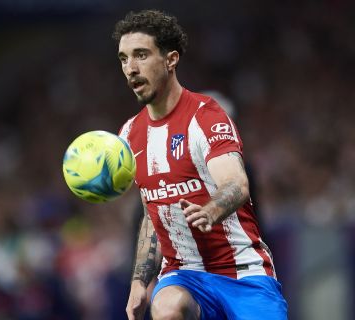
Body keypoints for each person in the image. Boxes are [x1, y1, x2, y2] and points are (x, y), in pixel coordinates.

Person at [113, 10, 288, 320]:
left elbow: (237, 184)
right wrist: (139, 282)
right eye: (124, 58)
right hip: (184, 274)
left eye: (141, 55)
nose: (131, 68)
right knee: (166, 307)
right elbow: (152, 214)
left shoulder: (206, 116)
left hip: (243, 273)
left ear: (171, 59)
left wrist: (211, 210)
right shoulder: (128, 135)